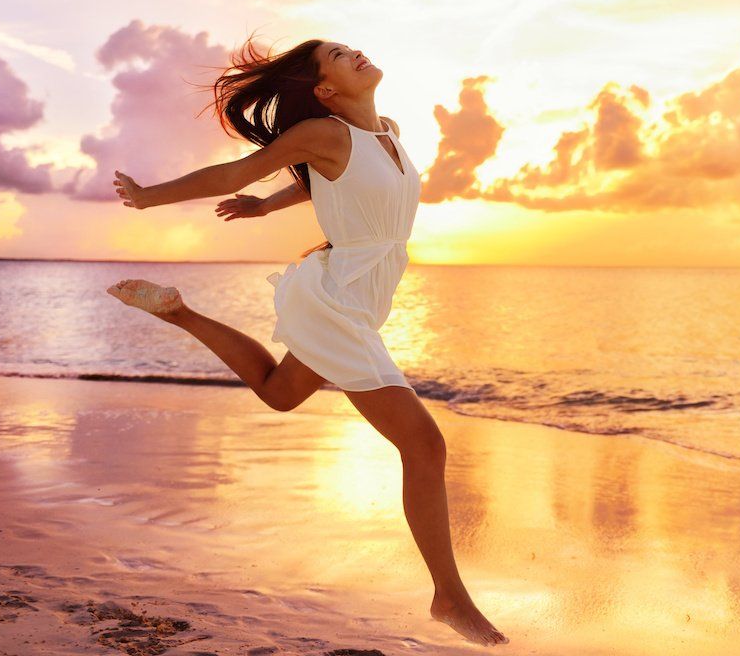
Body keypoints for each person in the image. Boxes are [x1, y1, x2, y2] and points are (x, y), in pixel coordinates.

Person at [105, 38, 508, 646]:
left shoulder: (387, 131)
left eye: (352, 48)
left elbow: (339, 185)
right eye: (342, 57)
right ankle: (449, 598)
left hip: (365, 295)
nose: (359, 54)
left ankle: (179, 312)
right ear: (324, 90)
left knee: (280, 392)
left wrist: (268, 208)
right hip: (340, 297)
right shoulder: (320, 132)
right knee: (424, 446)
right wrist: (148, 196)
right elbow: (233, 171)